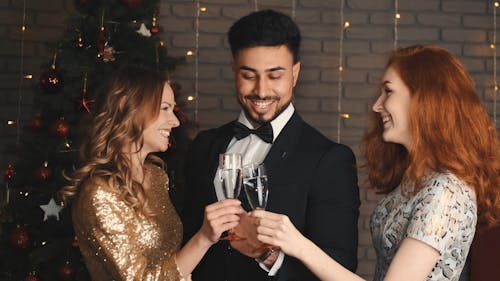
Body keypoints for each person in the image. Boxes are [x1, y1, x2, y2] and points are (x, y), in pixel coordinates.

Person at [251, 44, 500, 281]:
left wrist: (298, 244)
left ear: (424, 100)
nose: (377, 105)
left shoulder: (445, 192)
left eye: (388, 91)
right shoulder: (418, 178)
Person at [181, 9, 360, 281]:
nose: (262, 91)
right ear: (234, 71)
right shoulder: (204, 146)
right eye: (249, 75)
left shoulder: (329, 159)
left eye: (275, 76)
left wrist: (269, 256)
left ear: (295, 73)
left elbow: (340, 267)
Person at [59, 66, 244, 281]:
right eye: (164, 108)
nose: (174, 121)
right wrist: (203, 238)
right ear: (127, 108)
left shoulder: (156, 176)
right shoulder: (100, 194)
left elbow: (171, 260)